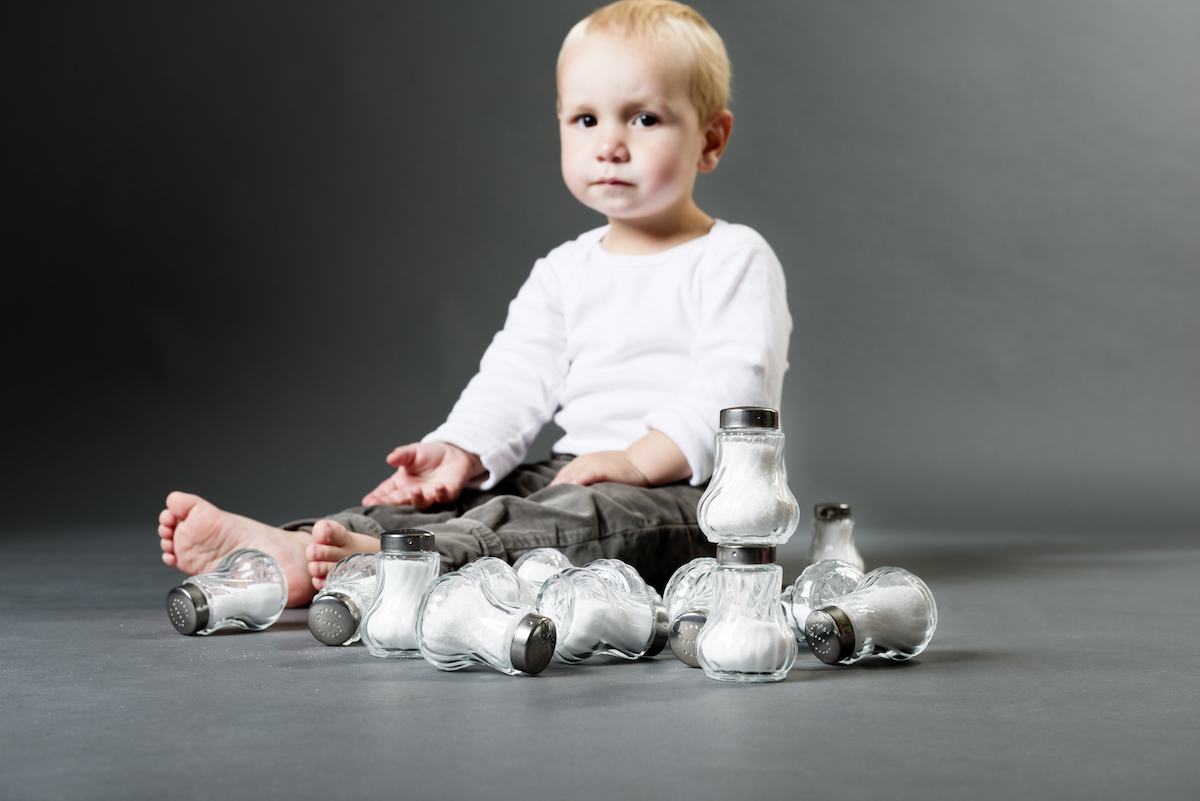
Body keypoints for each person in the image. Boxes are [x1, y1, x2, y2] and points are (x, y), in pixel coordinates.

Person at [157, 0, 792, 605]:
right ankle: (303, 547)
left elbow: (734, 387)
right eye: (586, 119)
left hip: (692, 499)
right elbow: (515, 377)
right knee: (486, 502)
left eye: (645, 118)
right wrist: (460, 452)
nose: (610, 144)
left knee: (578, 517)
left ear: (711, 139)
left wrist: (635, 460)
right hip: (574, 471)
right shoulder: (565, 269)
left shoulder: (732, 257)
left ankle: (401, 563)